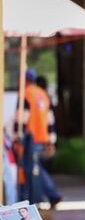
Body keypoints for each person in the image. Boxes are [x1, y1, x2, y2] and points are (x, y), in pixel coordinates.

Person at [14, 68, 62, 208]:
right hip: (42, 138)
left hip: (30, 139)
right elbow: (50, 119)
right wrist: (51, 140)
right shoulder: (42, 94)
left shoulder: (26, 94)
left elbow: (22, 119)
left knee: (33, 169)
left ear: (24, 80)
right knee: (35, 168)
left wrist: (17, 139)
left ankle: (50, 195)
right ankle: (43, 197)